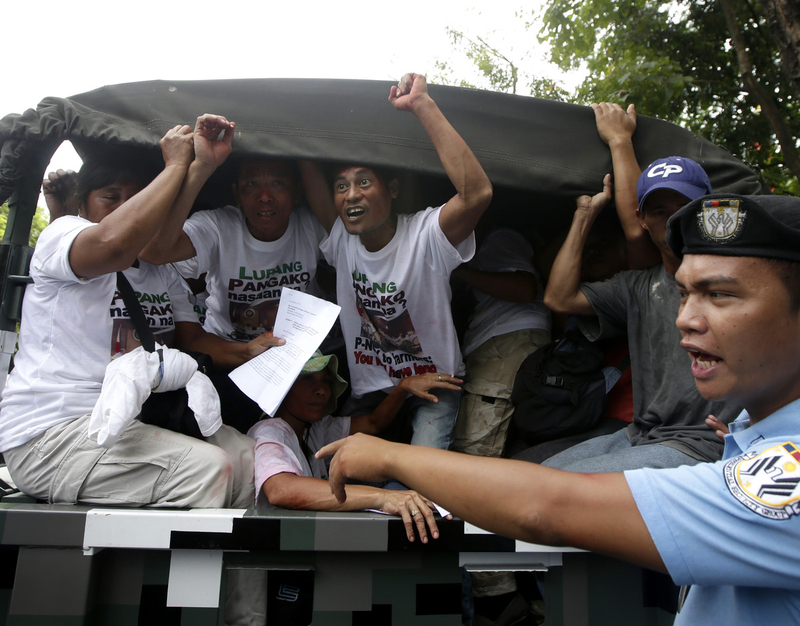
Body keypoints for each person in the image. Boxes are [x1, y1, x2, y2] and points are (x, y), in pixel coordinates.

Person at [319, 192, 800, 624]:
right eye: (683, 294)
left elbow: (544, 507)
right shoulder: (750, 433)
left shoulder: (786, 483)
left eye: (720, 294)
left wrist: (391, 456)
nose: (685, 320)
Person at [0, 117, 257, 509]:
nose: (126, 207)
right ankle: (174, 553)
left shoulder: (159, 272)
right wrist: (175, 165)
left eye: (138, 198)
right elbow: (114, 245)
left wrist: (200, 167)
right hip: (53, 432)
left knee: (249, 461)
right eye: (111, 197)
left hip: (135, 420)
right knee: (208, 469)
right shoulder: (62, 237)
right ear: (82, 205)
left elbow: (191, 338)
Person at [302, 72, 493, 450]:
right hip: (373, 389)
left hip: (435, 383)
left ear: (391, 189)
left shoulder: (426, 235)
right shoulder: (342, 239)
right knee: (340, 466)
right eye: (341, 186)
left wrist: (422, 105)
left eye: (363, 182)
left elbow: (477, 194)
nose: (350, 195)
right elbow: (306, 164)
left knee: (421, 468)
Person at [541, 151, 741, 472]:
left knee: (549, 488)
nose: (674, 219)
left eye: (685, 206)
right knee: (537, 473)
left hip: (702, 441)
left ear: (706, 209)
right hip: (642, 434)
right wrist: (584, 216)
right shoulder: (638, 286)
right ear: (643, 219)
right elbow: (559, 298)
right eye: (660, 211)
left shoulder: (740, 275)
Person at [140, 144, 326, 432]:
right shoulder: (218, 226)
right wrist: (199, 168)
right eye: (252, 184)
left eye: (278, 183)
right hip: (228, 355)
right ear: (237, 194)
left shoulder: (311, 227)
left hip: (297, 361)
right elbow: (154, 251)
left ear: (297, 193)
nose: (265, 196)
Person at [249, 351, 459, 542]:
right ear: (284, 387)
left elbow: (374, 423)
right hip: (276, 544)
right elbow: (280, 490)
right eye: (308, 379)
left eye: (326, 381)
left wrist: (402, 388)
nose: (322, 390)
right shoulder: (271, 430)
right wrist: (383, 498)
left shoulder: (315, 429)